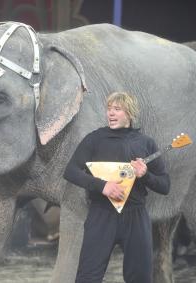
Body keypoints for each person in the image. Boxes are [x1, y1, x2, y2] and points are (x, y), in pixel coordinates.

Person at [64, 92, 170, 283]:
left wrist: (145, 175)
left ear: (129, 113)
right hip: (101, 215)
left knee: (140, 278)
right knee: (88, 277)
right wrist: (102, 186)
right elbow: (70, 171)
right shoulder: (94, 139)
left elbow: (165, 186)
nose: (110, 113)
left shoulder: (146, 143)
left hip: (136, 217)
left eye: (117, 109)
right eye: (109, 109)